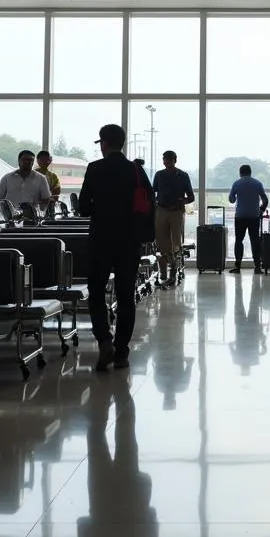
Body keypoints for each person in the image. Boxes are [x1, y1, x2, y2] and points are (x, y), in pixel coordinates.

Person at [78, 124, 156, 371]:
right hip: (128, 240)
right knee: (125, 296)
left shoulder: (95, 168)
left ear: (104, 143)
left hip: (101, 238)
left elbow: (83, 208)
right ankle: (122, 350)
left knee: (97, 292)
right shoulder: (135, 170)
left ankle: (104, 340)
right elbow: (149, 202)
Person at [152, 150, 195, 287]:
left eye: (169, 159)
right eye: (165, 159)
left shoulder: (182, 175)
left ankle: (173, 272)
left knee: (175, 242)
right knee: (162, 242)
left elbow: (191, 197)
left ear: (175, 160)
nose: (166, 162)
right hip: (162, 210)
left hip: (176, 212)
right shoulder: (159, 175)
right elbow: (153, 193)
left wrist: (182, 202)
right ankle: (163, 272)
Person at [228, 165, 268, 274]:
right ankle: (257, 267)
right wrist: (261, 210)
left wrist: (236, 196)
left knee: (239, 240)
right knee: (255, 241)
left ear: (240, 173)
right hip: (254, 216)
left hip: (240, 216)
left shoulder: (236, 183)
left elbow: (231, 200)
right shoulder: (257, 183)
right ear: (250, 172)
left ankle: (237, 266)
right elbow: (265, 199)